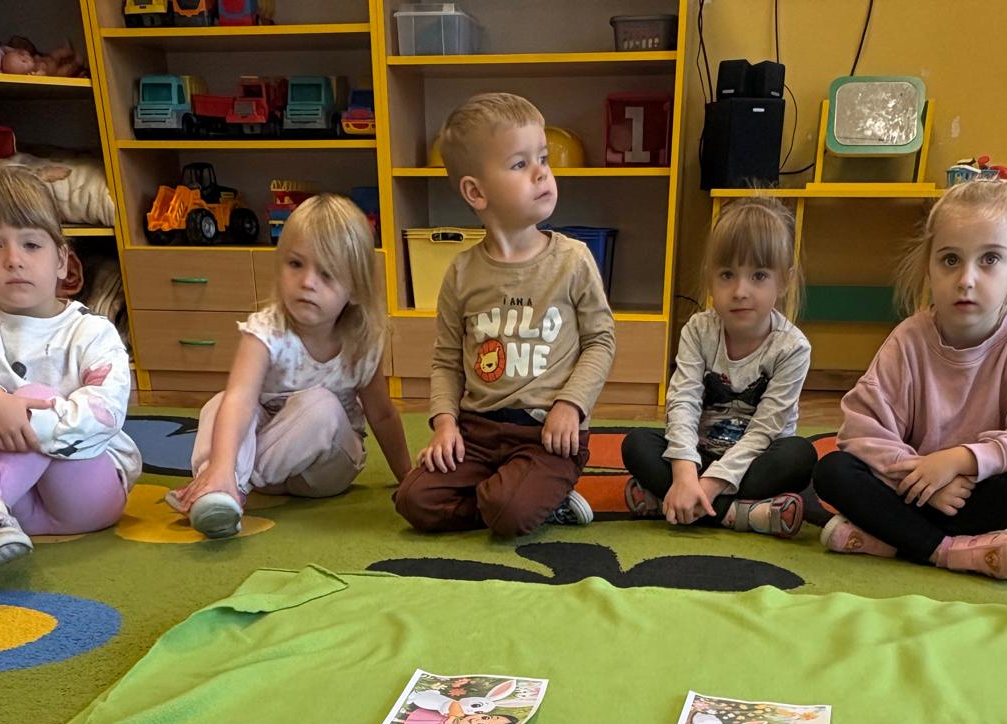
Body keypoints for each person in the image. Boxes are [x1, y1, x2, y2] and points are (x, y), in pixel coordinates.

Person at [814, 180, 1007, 580]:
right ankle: (949, 551)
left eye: (990, 259)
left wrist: (961, 461)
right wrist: (920, 474)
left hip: (976, 492)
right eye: (950, 259)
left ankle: (894, 538)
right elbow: (862, 430)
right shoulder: (910, 339)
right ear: (929, 268)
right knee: (833, 471)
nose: (966, 279)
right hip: (914, 489)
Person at [393, 92, 616, 539]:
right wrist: (444, 425)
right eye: (520, 164)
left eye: (543, 158)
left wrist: (570, 406)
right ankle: (519, 494)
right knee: (413, 500)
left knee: (509, 512)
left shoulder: (573, 259)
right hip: (476, 433)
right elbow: (446, 361)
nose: (542, 172)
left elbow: (600, 340)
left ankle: (529, 492)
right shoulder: (461, 272)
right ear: (476, 192)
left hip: (547, 434)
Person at [0, 163, 139, 579]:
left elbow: (105, 413)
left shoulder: (92, 331)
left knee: (36, 396)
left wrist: (19, 417)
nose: (13, 260)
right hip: (14, 503)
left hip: (85, 496)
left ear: (62, 260)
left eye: (31, 244)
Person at [167, 193, 410, 539]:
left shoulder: (361, 342)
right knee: (220, 404)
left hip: (323, 470)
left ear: (355, 290)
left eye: (327, 274)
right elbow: (240, 400)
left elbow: (382, 414)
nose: (307, 282)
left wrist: (407, 476)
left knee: (321, 405)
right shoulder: (266, 331)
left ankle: (230, 482)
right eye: (296, 264)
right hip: (272, 459)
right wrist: (222, 461)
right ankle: (219, 484)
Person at [622, 197, 816, 536]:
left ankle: (675, 502)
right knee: (636, 444)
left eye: (758, 275)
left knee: (799, 456)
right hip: (699, 455)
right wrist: (684, 473)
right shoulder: (698, 330)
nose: (740, 291)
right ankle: (739, 514)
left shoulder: (792, 347)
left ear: (783, 281)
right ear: (710, 279)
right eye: (727, 274)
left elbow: (764, 431)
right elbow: (683, 402)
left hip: (753, 460)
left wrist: (709, 485)